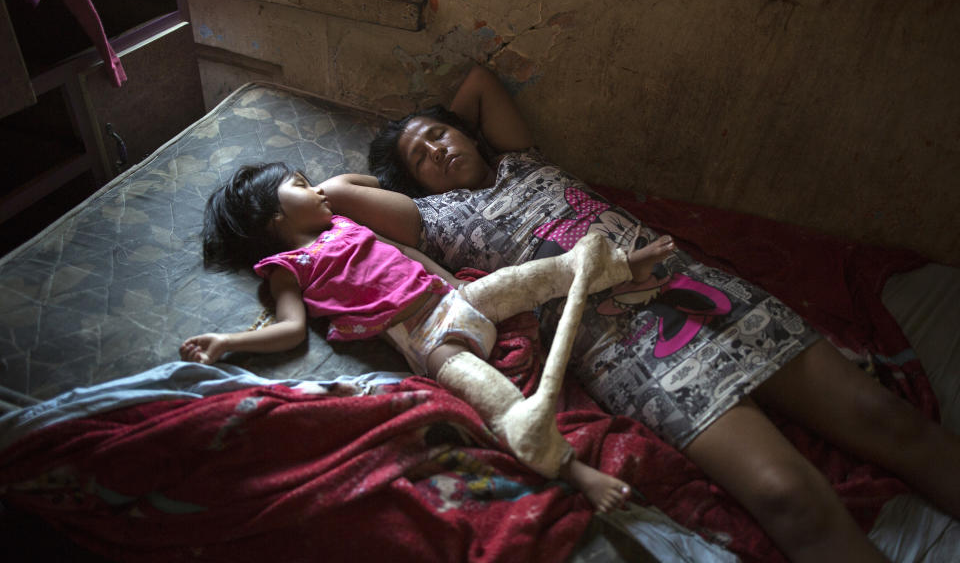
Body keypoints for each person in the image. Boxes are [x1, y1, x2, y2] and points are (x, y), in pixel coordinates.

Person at [321, 64, 960, 562]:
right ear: (415, 187)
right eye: (420, 159)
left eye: (439, 135)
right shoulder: (432, 219)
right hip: (622, 343)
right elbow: (335, 195)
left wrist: (443, 128)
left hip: (691, 286)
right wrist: (411, 168)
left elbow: (482, 83)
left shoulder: (522, 159)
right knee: (785, 498)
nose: (434, 150)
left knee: (884, 417)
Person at [180, 161, 678, 512]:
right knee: (495, 403)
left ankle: (618, 267)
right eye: (302, 184)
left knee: (538, 277)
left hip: (454, 299)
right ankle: (574, 472)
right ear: (275, 219)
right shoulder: (287, 268)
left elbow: (403, 253)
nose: (320, 189)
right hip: (430, 340)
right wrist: (228, 342)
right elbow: (290, 330)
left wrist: (453, 281)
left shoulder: (344, 223)